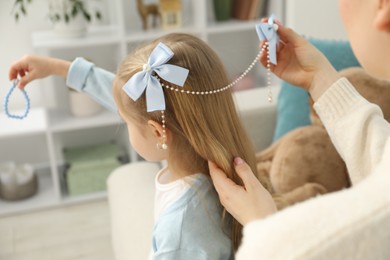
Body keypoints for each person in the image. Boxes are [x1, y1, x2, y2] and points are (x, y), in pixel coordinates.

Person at [9, 33, 261, 258]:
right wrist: (59, 68)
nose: (123, 118)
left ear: (157, 132)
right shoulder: (208, 152)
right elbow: (128, 100)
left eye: (125, 120)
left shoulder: (181, 231)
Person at [208, 0, 390, 258]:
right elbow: (382, 154)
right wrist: (318, 78)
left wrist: (264, 227)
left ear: (382, 7)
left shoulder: (302, 245)